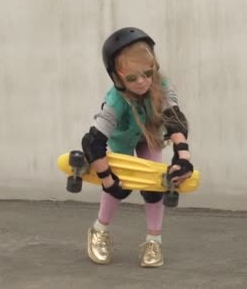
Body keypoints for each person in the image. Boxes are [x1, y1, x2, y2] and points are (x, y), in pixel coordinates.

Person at [80, 27, 194, 268]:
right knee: (115, 188)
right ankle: (99, 230)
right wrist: (108, 180)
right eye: (132, 77)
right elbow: (93, 142)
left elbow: (175, 121)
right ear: (117, 77)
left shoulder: (161, 86)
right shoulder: (116, 100)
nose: (142, 81)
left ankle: (154, 240)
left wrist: (183, 159)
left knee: (154, 185)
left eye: (147, 72)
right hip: (122, 140)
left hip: (149, 136)